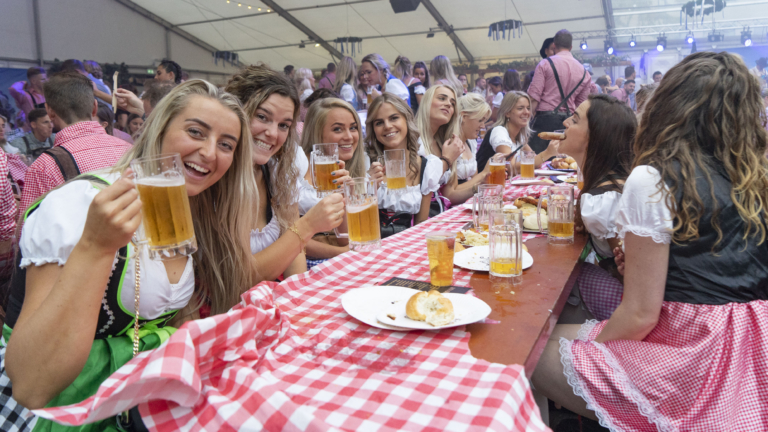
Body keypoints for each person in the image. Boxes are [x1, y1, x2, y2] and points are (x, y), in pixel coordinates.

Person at [0, 80, 260, 430]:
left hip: (134, 400)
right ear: (158, 127)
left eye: (226, 145)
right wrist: (97, 246)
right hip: (56, 414)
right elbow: (31, 386)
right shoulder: (76, 205)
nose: (211, 153)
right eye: (196, 132)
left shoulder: (190, 210)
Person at [532, 51, 768, 431]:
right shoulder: (755, 177)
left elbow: (641, 315)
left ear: (668, 104)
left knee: (531, 347)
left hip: (691, 353)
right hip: (755, 345)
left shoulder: (654, 178)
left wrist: (595, 349)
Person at [225, 64, 345, 281]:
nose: (272, 133)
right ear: (235, 111)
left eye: (283, 125)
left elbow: (295, 256)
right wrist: (308, 225)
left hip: (271, 298)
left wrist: (300, 297)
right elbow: (238, 276)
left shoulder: (278, 172)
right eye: (262, 117)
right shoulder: (214, 178)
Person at [557, 94, 635, 320]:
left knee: (562, 278)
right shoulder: (608, 182)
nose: (565, 123)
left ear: (596, 138)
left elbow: (628, 274)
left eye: (574, 119)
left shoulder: (605, 198)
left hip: (624, 306)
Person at [20, 72, 132, 214]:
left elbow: (28, 231)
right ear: (94, 107)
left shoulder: (43, 167)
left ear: (49, 111)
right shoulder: (131, 151)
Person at [298, 98, 381, 264]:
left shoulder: (354, 168)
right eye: (338, 129)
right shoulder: (297, 165)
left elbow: (346, 238)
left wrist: (345, 195)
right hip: (305, 261)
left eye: (353, 128)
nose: (349, 137)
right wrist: (341, 253)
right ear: (317, 132)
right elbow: (288, 237)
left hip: (343, 257)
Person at [366, 93, 442, 236]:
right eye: (379, 122)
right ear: (373, 129)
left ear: (407, 120)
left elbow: (421, 224)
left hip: (406, 244)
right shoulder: (366, 163)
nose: (387, 126)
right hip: (371, 242)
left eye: (394, 118)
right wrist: (367, 187)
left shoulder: (426, 167)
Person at [528, 29, 591, 154]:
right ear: (571, 47)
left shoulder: (545, 64)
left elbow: (534, 98)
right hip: (568, 122)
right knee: (564, 163)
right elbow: (581, 106)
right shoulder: (584, 72)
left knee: (537, 160)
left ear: (554, 45)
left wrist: (527, 123)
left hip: (544, 121)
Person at [416, 85, 473, 206]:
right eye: (442, 98)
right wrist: (447, 160)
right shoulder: (414, 141)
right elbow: (420, 187)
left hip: (441, 212)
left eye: (452, 103)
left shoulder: (445, 144)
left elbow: (449, 194)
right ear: (426, 102)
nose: (448, 104)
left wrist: (483, 182)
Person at [476, 91, 559, 173]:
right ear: (507, 113)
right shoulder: (499, 131)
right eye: (520, 108)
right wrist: (547, 153)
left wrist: (545, 155)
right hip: (487, 185)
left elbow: (536, 163)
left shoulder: (519, 135)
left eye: (528, 108)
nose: (526, 112)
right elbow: (511, 168)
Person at [456, 93, 492, 185]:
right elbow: (450, 193)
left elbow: (474, 181)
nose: (483, 126)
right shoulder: (450, 144)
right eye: (480, 120)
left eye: (484, 121)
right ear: (464, 117)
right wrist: (484, 173)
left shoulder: (471, 142)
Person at [8, 67, 47, 132]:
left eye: (46, 79)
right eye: (43, 79)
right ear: (33, 81)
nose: (46, 81)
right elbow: (13, 89)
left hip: (47, 130)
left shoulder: (47, 94)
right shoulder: (26, 96)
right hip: (32, 132)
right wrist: (23, 83)